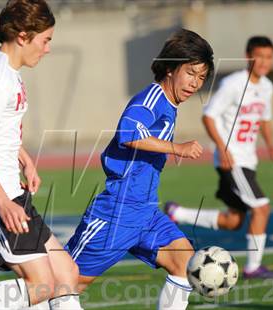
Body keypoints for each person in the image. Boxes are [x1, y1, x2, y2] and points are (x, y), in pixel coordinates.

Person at [65, 29, 214, 309]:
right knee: (60, 284)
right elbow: (128, 133)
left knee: (184, 260)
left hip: (144, 211)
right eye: (191, 73)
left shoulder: (169, 105)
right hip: (117, 212)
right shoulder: (152, 98)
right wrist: (177, 148)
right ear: (170, 67)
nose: (195, 83)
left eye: (202, 78)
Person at [0, 1, 82, 309]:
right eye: (45, 40)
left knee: (66, 274)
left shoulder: (7, 72)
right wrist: (3, 202)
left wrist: (24, 159)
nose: (47, 49)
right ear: (23, 36)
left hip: (11, 192)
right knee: (43, 285)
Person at [165, 36, 273, 279]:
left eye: (269, 57)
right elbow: (209, 116)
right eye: (259, 56)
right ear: (249, 55)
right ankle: (252, 267)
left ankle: (178, 214)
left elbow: (265, 119)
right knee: (262, 208)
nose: (264, 62)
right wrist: (223, 147)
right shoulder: (234, 84)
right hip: (233, 160)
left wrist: (270, 144)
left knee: (234, 220)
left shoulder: (267, 87)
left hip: (248, 160)